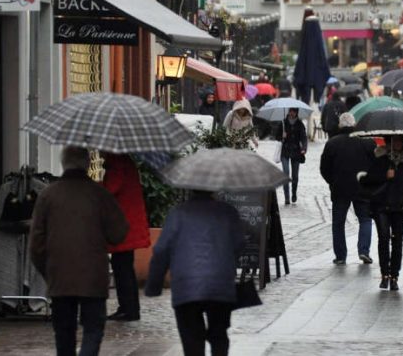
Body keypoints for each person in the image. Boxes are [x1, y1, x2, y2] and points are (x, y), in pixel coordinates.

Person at [29, 146, 129, 356]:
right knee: (93, 329)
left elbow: (36, 243)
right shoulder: (99, 194)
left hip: (59, 275)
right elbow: (119, 232)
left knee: (63, 333)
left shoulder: (48, 195)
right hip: (93, 276)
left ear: (63, 163)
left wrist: (48, 272)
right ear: (87, 164)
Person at [145, 190, 244, 356]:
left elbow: (162, 250)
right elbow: (239, 244)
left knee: (192, 340)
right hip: (220, 284)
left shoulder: (178, 213)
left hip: (186, 285)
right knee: (219, 335)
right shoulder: (228, 212)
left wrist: (154, 285)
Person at [361, 136, 403, 291]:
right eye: (393, 141)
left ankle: (395, 276)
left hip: (400, 205)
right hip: (382, 204)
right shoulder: (380, 159)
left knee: (397, 240)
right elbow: (367, 180)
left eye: (399, 140)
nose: (397, 144)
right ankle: (384, 275)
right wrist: (384, 176)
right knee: (383, 238)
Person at [320, 113, 376, 265]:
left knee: (338, 223)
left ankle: (340, 255)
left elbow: (324, 168)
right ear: (355, 124)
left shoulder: (332, 143)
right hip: (362, 187)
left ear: (340, 125)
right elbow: (375, 165)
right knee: (365, 219)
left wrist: (332, 181)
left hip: (340, 188)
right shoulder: (367, 142)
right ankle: (364, 251)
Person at [102, 153, 150, 322]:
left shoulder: (116, 163)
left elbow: (109, 190)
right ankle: (129, 308)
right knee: (124, 266)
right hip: (128, 223)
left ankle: (128, 309)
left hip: (123, 225)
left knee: (122, 267)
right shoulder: (123, 161)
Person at [276, 108, 308, 204]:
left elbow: (304, 138)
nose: (292, 113)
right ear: (288, 112)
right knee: (285, 174)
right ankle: (286, 197)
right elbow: (276, 136)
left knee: (295, 176)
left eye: (294, 111)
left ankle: (294, 192)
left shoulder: (300, 124)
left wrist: (304, 149)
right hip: (285, 151)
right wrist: (282, 136)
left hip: (296, 152)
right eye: (290, 111)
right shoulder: (283, 123)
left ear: (296, 113)